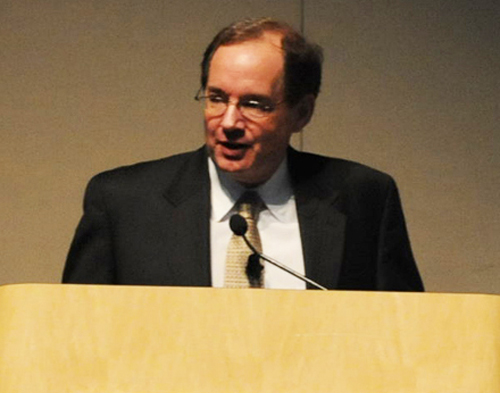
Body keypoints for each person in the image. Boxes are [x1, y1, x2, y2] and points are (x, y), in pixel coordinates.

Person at [62, 18, 423, 291]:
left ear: (302, 113)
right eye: (217, 98)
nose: (229, 122)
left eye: (254, 104)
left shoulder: (364, 198)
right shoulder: (124, 204)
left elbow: (408, 337)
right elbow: (75, 335)